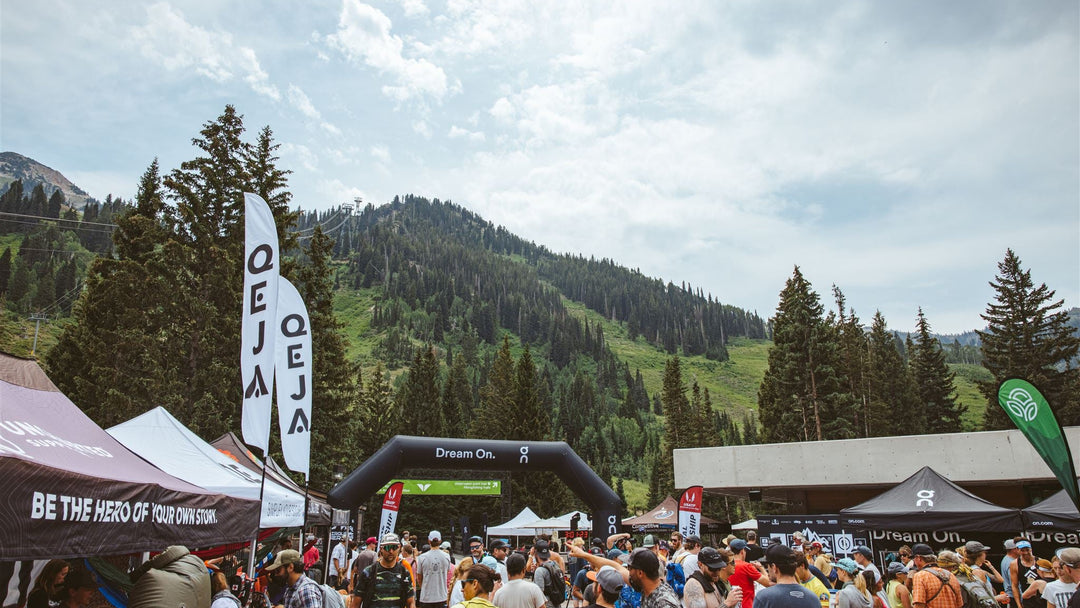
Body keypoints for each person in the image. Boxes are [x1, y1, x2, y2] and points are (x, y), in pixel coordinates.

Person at [355, 533, 416, 608]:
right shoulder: (369, 572)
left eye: (394, 547)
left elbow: (411, 602)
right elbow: (356, 603)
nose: (391, 551)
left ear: (399, 548)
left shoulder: (404, 573)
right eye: (387, 547)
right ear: (381, 549)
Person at [753, 544, 819, 608]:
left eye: (767, 566)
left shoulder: (764, 598)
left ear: (774, 567)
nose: (768, 570)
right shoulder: (813, 598)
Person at [728, 539, 772, 608]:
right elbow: (768, 583)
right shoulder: (746, 566)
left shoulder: (726, 566)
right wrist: (761, 568)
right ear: (742, 551)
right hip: (746, 605)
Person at [416, 531, 452, 608]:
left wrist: (424, 588)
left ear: (429, 540)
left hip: (426, 597)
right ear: (440, 541)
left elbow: (419, 577)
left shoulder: (422, 557)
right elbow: (447, 572)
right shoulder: (446, 556)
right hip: (442, 596)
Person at [533, 540, 565, 608]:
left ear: (536, 553)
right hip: (557, 604)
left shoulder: (540, 571)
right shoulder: (555, 564)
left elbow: (538, 595)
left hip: (547, 605)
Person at [1010, 541, 1038, 608]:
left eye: (1027, 550)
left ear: (1031, 549)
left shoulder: (1039, 561)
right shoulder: (1014, 564)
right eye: (1022, 550)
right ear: (1017, 550)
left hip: (1041, 598)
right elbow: (1014, 585)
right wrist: (1019, 605)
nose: (1025, 552)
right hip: (1027, 599)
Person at [1001, 541, 1020, 608]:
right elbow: (1014, 583)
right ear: (1013, 550)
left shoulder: (1006, 559)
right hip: (1014, 597)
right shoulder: (1010, 563)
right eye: (1018, 548)